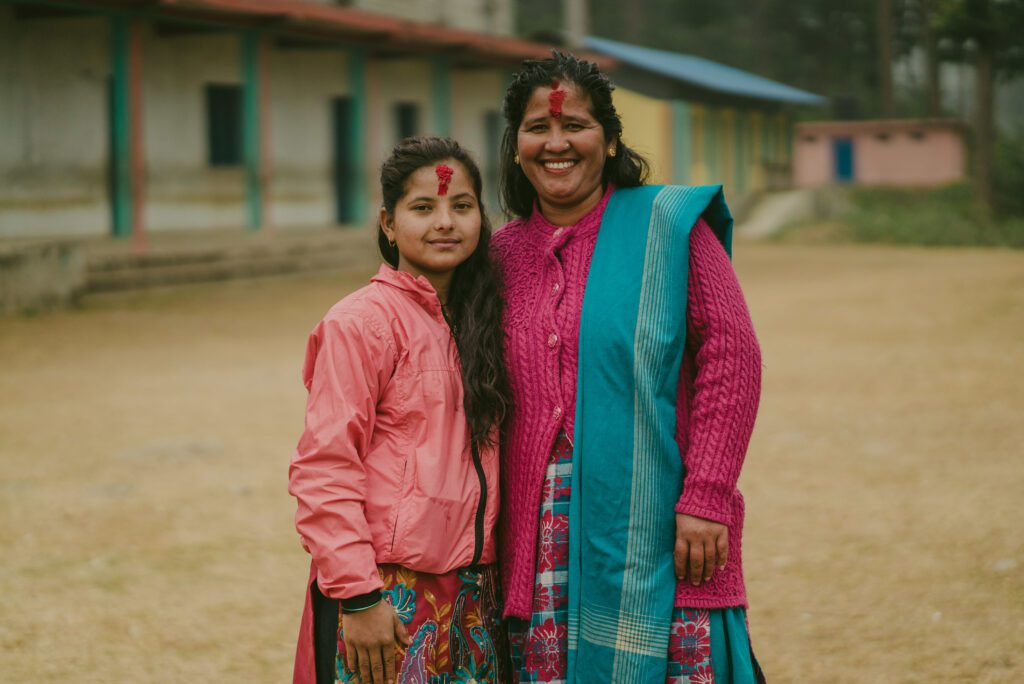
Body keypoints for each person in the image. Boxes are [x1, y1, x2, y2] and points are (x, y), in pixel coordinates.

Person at [491, 52, 766, 683]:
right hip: (539, 544)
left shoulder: (668, 228)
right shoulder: (497, 257)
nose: (556, 143)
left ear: (610, 139)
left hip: (662, 523)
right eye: (537, 128)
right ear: (516, 146)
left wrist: (707, 496)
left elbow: (734, 358)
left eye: (576, 125)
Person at [289, 137, 512, 684]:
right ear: (388, 224)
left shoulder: (484, 319)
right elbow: (325, 467)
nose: (445, 222)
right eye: (423, 207)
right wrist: (360, 597)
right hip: (387, 592)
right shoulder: (361, 323)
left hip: (472, 593)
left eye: (462, 206)